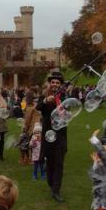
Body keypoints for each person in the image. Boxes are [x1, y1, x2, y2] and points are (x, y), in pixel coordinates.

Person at [36, 71, 68, 202]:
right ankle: (51, 183)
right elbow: (38, 107)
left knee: (59, 163)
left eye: (57, 83)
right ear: (50, 84)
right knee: (50, 163)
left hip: (60, 136)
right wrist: (45, 101)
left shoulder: (64, 98)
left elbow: (69, 113)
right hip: (48, 135)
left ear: (60, 85)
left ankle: (56, 190)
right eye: (53, 82)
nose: (55, 84)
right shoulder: (44, 96)